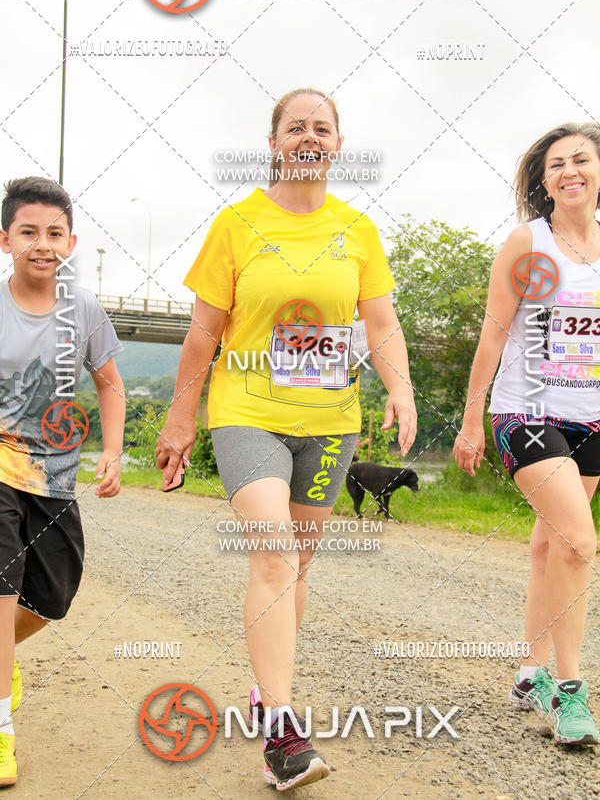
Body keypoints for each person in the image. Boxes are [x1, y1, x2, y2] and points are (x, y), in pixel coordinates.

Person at [156, 88, 416, 790]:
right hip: (246, 410)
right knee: (272, 554)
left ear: (338, 145)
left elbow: (382, 324)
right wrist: (181, 417)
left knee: (295, 567)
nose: (309, 136)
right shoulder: (238, 224)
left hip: (329, 423)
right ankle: (281, 730)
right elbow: (204, 332)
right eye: (295, 126)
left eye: (322, 127)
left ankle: (268, 691)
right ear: (273, 143)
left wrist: (400, 388)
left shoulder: (357, 229)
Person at [454, 123, 600, 745]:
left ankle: (530, 671)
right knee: (579, 543)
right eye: (556, 164)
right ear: (544, 182)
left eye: (581, 159)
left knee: (550, 546)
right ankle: (570, 691)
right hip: (527, 413)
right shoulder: (527, 242)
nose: (570, 171)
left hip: (591, 416)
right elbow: (493, 334)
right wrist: (472, 420)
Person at [0, 177, 125, 786]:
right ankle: (1, 731)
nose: (42, 244)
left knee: (53, 598)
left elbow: (109, 384)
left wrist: (114, 452)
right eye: (28, 232)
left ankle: (3, 657)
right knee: (2, 589)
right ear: (5, 240)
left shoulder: (83, 309)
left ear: (70, 242)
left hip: (55, 475)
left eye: (54, 233)